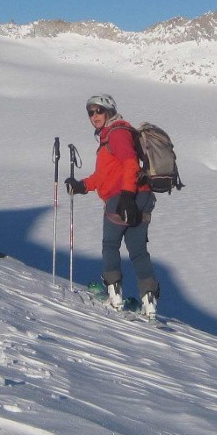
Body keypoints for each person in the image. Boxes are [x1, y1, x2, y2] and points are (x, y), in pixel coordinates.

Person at [64, 94, 160, 318]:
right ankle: (149, 303)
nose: (94, 116)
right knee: (138, 251)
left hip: (124, 197)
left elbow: (129, 163)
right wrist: (82, 186)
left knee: (110, 244)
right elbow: (104, 175)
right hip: (141, 197)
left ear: (109, 112)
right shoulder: (112, 135)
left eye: (99, 110)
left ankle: (114, 295)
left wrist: (126, 197)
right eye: (90, 112)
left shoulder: (117, 133)